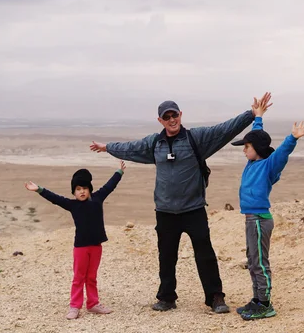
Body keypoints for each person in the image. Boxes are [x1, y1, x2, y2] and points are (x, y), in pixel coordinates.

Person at [89, 92, 271, 313]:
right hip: (165, 212)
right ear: (160, 121)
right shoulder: (154, 144)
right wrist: (107, 147)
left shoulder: (197, 139)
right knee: (166, 256)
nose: (171, 119)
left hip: (193, 210)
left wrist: (251, 114)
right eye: (166, 117)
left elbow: (225, 129)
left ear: (180, 115)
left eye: (174, 115)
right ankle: (167, 297)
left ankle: (215, 298)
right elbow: (131, 147)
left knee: (205, 255)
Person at [231, 96, 304, 320]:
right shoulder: (252, 162)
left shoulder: (267, 166)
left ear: (257, 149)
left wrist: (292, 138)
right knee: (252, 260)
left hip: (259, 219)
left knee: (260, 261)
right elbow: (258, 138)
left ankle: (265, 304)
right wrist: (258, 117)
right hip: (250, 219)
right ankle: (256, 299)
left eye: (246, 147)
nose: (244, 150)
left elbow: (281, 153)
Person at [23, 160, 126, 320]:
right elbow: (54, 198)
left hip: (96, 246)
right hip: (80, 248)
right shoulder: (72, 205)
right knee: (79, 277)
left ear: (89, 189)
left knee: (91, 276)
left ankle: (93, 304)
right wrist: (39, 189)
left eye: (84, 188)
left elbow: (110, 185)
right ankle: (74, 306)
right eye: (78, 189)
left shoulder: (98, 198)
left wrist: (119, 172)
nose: (82, 192)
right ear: (74, 192)